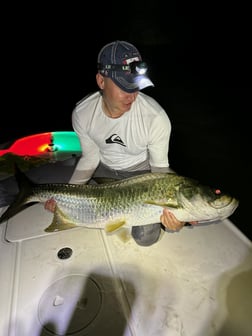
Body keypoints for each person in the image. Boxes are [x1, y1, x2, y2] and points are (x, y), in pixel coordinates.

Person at [45, 40, 193, 246]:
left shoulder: (156, 117)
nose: (132, 94)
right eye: (124, 86)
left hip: (141, 175)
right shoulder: (83, 113)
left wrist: (178, 219)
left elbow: (160, 170)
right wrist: (68, 195)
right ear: (101, 80)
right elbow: (90, 157)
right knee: (76, 211)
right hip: (103, 168)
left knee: (146, 238)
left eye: (136, 86)